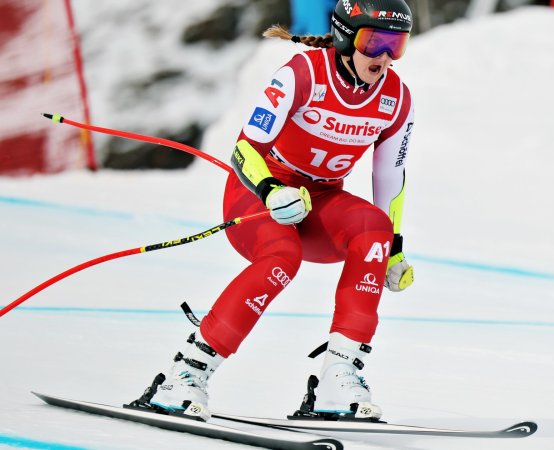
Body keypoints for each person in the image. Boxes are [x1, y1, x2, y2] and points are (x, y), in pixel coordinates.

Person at [129, 0, 416, 422]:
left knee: (374, 230)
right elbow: (245, 148)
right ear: (344, 37)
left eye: (397, 44)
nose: (385, 58)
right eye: (374, 43)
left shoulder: (396, 98)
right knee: (282, 256)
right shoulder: (303, 74)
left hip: (318, 199)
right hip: (258, 191)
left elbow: (390, 180)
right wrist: (269, 191)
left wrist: (392, 248)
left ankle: (338, 379)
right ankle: (184, 374)